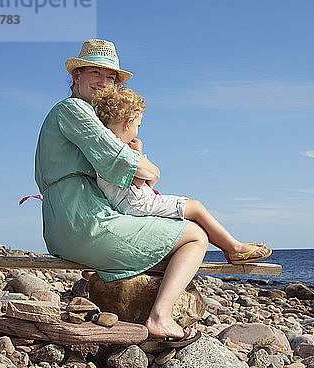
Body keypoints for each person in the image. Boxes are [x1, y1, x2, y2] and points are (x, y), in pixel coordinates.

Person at [34, 39, 271, 342]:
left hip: (70, 222)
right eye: (95, 72)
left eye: (110, 77)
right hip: (83, 223)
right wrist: (150, 168)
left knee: (178, 229)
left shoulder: (84, 116)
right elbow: (123, 163)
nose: (104, 82)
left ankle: (159, 297)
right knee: (196, 235)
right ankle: (160, 317)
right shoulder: (73, 109)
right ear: (76, 76)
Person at [90, 85, 271, 264]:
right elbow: (139, 181)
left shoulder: (103, 148)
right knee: (196, 208)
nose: (138, 130)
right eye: (138, 125)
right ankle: (233, 248)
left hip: (131, 202)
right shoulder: (123, 151)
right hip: (136, 204)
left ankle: (229, 246)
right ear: (128, 123)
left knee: (190, 215)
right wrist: (138, 153)